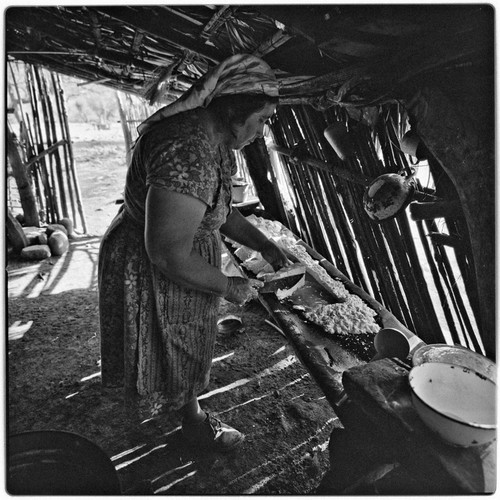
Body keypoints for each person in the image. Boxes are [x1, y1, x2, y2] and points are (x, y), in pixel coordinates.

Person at [98, 54, 289, 452]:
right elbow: (167, 254)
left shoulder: (216, 141)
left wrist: (265, 245)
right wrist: (230, 286)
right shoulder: (186, 148)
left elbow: (219, 209)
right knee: (169, 339)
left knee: (185, 339)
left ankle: (188, 412)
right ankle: (193, 427)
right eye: (264, 117)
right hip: (156, 262)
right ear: (235, 109)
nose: (263, 129)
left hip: (180, 255)